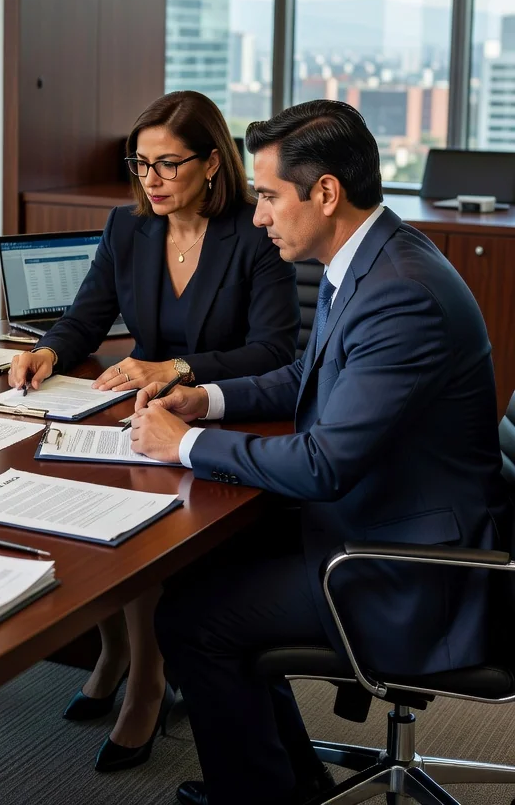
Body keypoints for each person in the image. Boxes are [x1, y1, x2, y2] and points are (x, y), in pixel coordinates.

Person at [129, 99, 512, 805]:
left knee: (192, 622)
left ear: (326, 193)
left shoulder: (400, 295)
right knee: (201, 573)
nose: (258, 216)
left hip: (412, 569)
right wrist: (205, 399)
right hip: (385, 517)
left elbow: (323, 465)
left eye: (270, 196)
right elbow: (305, 377)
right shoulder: (371, 258)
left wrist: (186, 445)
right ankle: (292, 781)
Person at [8, 89, 299, 773]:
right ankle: (114, 652)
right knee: (69, 491)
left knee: (138, 522)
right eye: (141, 164)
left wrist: (179, 368)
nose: (152, 180)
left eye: (169, 164)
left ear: (212, 163)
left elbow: (276, 350)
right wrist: (49, 351)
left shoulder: (254, 233)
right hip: (142, 418)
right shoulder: (127, 227)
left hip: (224, 419)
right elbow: (87, 316)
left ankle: (147, 681)